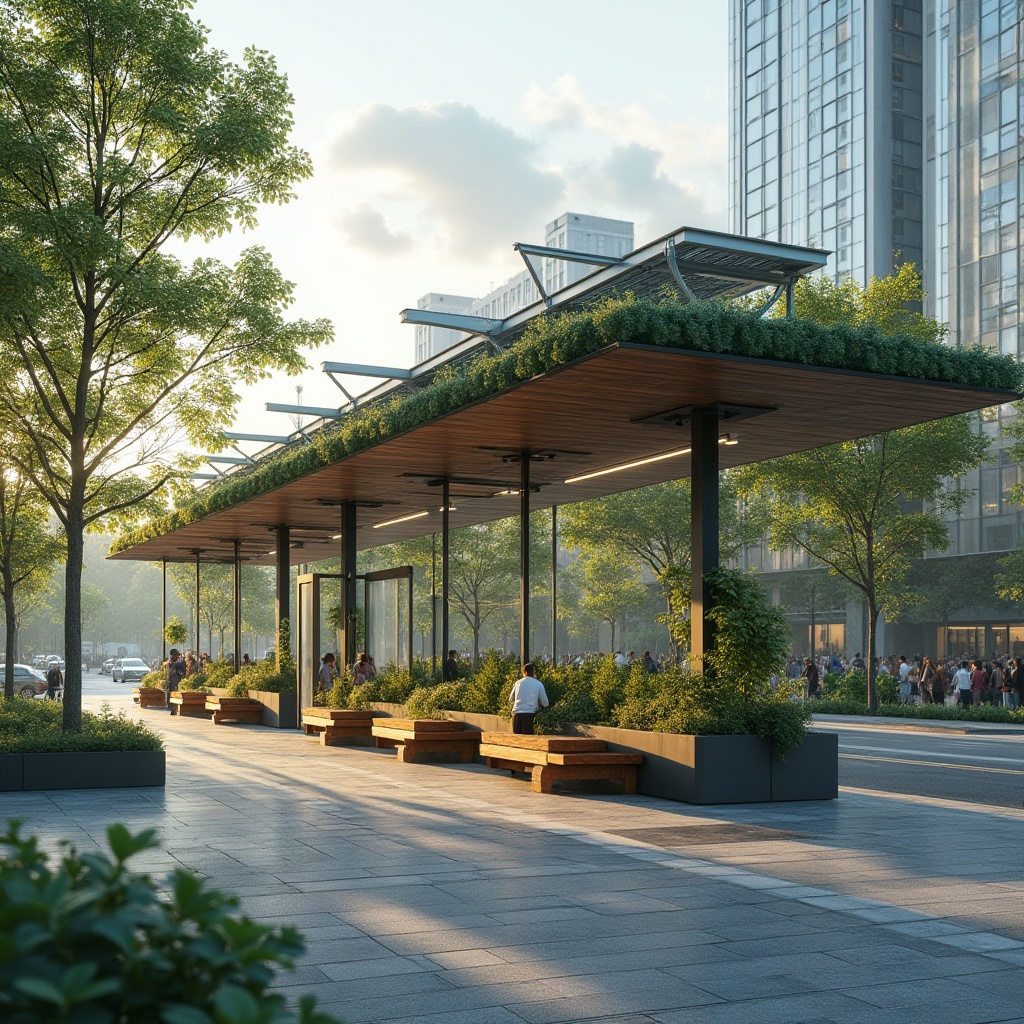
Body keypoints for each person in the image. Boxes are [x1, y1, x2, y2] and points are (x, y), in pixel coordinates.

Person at [509, 662, 548, 735]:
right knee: (529, 739)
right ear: (534, 672)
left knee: (517, 741)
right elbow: (545, 703)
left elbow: (511, 698)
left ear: (524, 672)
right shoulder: (538, 684)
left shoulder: (518, 683)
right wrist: (537, 702)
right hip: (530, 715)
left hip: (517, 714)